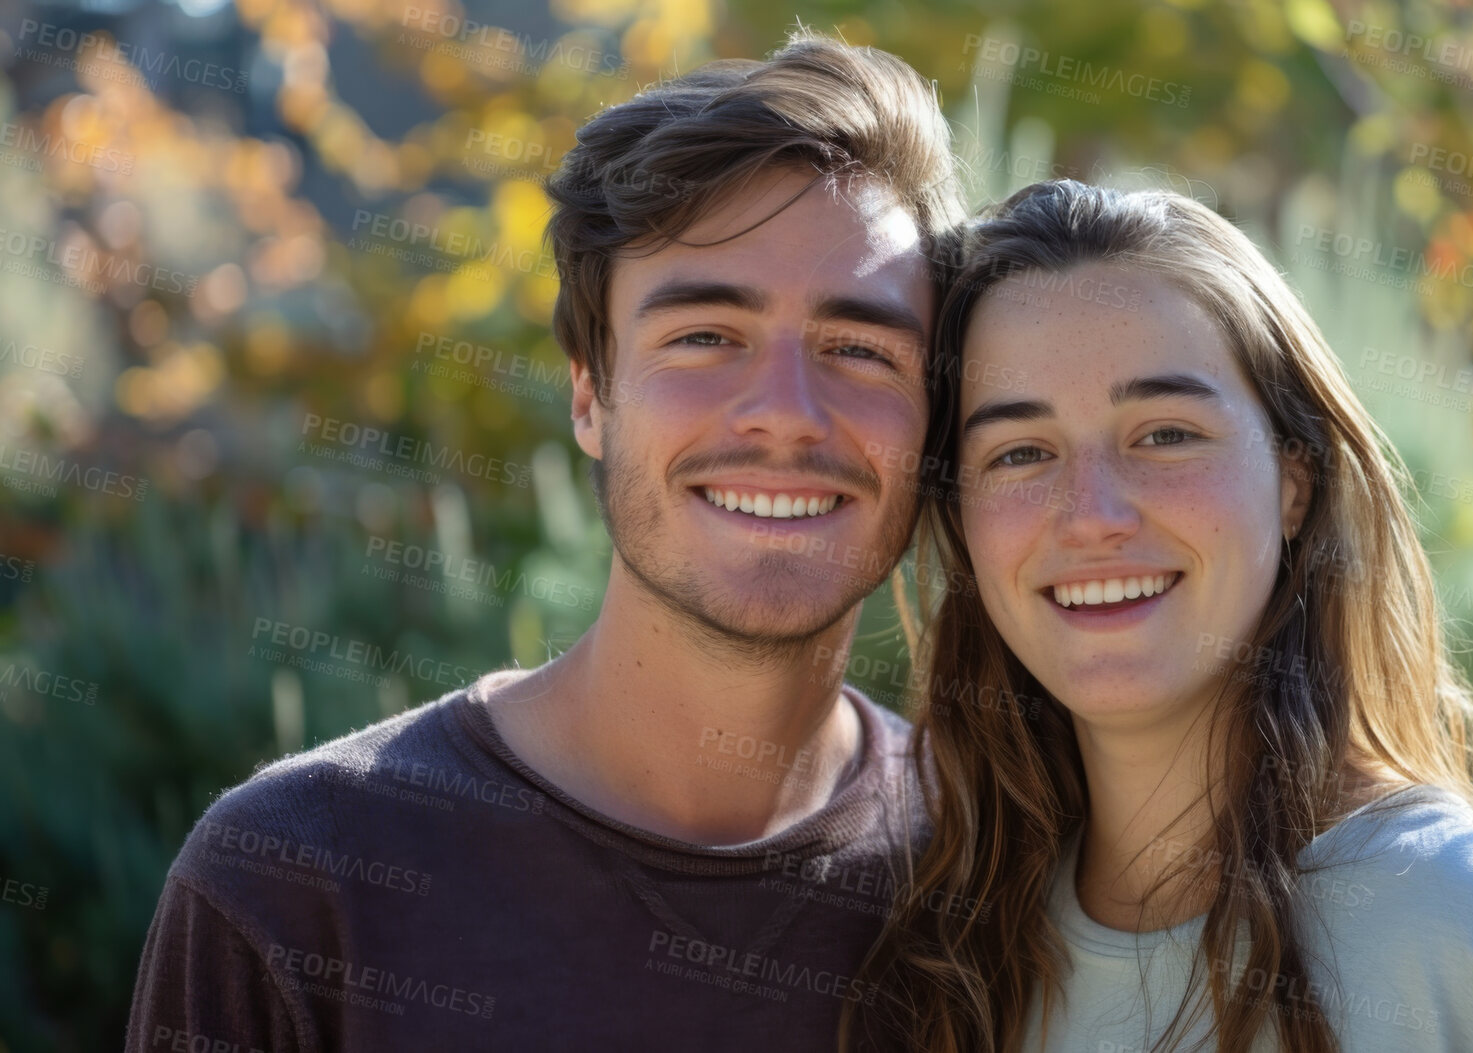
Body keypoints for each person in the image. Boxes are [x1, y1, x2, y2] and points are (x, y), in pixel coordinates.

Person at [125, 31, 962, 1051]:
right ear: (588, 397)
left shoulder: (997, 877)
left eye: (860, 349)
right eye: (704, 337)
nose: (785, 414)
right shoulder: (295, 882)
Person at [845, 180, 1473, 1052]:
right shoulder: (951, 946)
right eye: (1020, 451)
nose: (1091, 514)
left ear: (1293, 484)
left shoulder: (1450, 922)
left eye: (1164, 433)